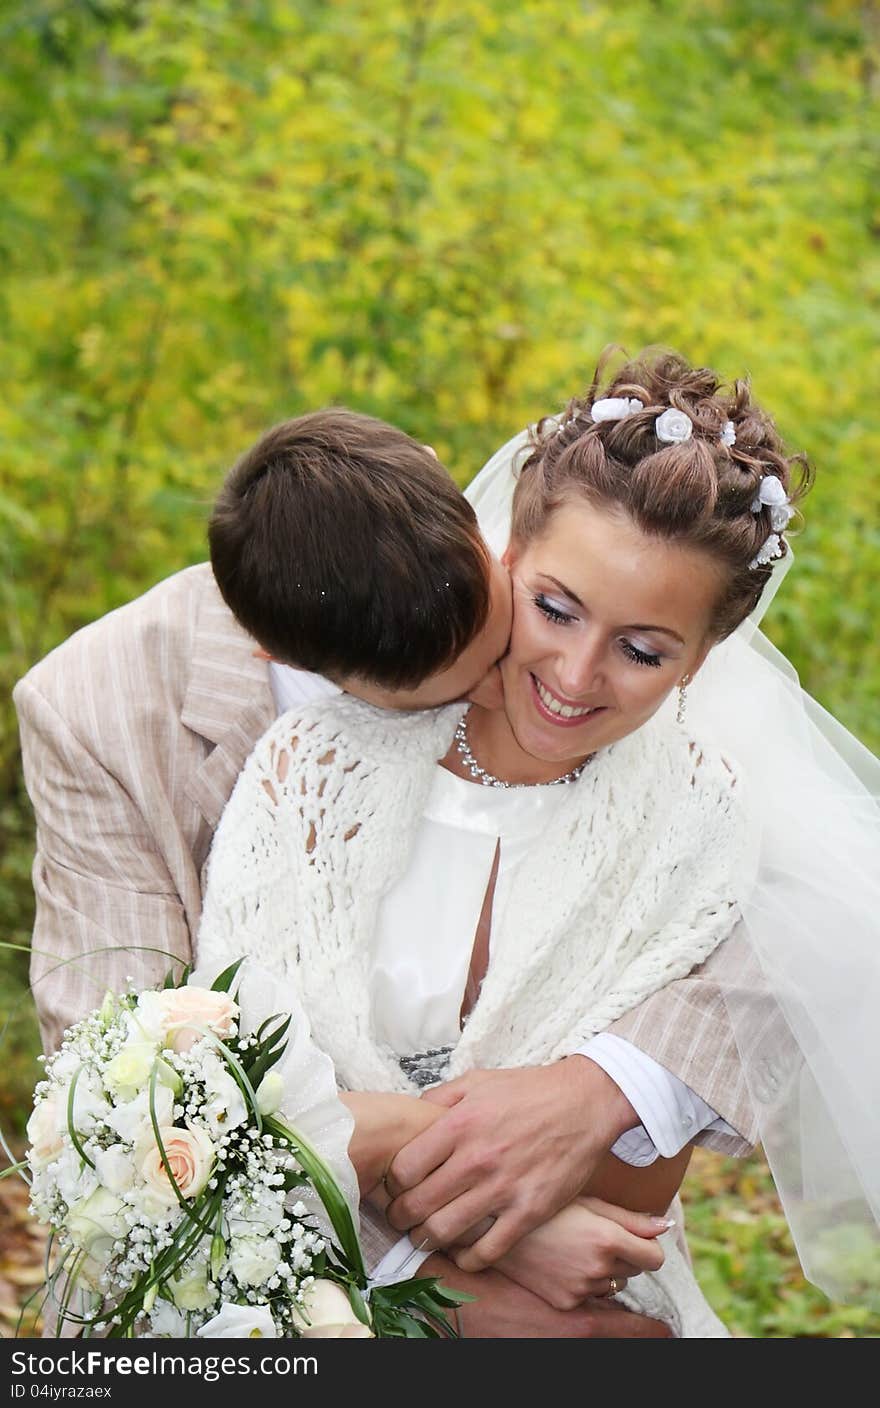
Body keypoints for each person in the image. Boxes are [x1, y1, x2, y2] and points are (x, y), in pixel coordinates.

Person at [195, 349, 831, 1334]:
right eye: (555, 607)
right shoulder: (319, 764)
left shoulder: (697, 824)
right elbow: (229, 1093)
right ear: (503, 556)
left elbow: (622, 1198)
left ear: (701, 657)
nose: (576, 675)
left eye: (642, 648)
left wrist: (360, 1137)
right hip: (288, 1300)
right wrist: (430, 1282)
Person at [15, 405, 674, 1337]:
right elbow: (130, 1107)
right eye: (459, 690)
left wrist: (589, 1094)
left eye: (496, 643)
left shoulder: (562, 595)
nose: (520, 687)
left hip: (576, 1240)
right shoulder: (95, 707)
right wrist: (459, 1256)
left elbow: (730, 896)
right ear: (283, 660)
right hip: (239, 1288)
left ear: (448, 485)